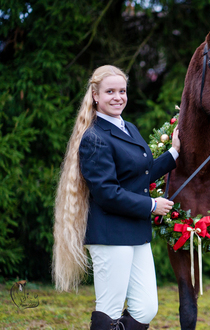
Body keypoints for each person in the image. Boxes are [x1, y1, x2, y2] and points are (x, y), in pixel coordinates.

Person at [53, 65, 179, 329]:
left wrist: (174, 153)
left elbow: (139, 174)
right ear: (95, 95)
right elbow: (107, 193)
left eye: (122, 91)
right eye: (110, 91)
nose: (118, 97)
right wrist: (152, 205)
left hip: (136, 232)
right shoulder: (94, 137)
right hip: (110, 234)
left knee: (145, 309)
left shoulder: (129, 128)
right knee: (109, 310)